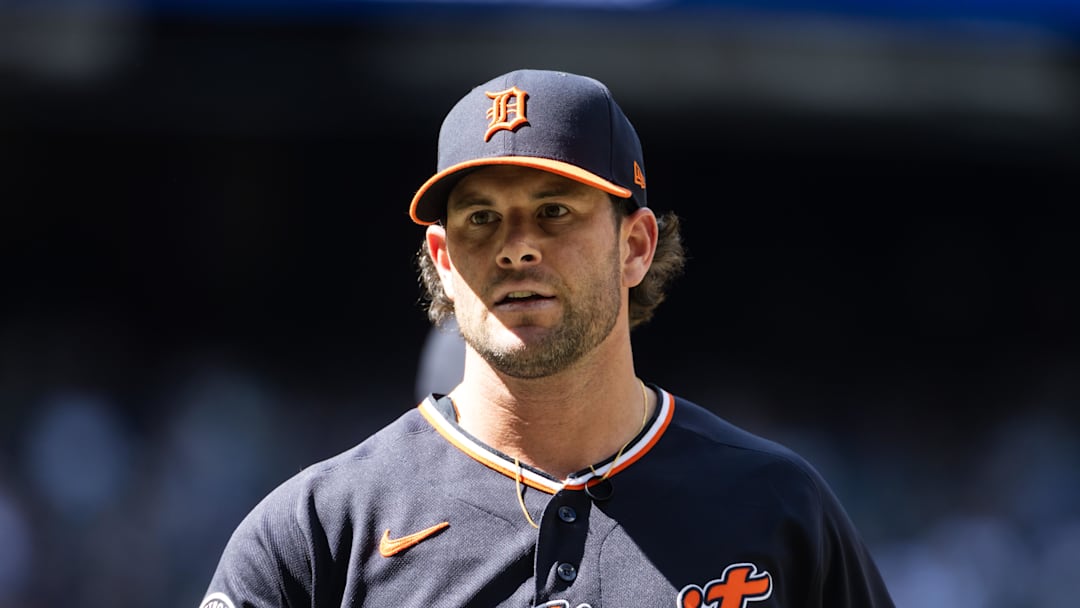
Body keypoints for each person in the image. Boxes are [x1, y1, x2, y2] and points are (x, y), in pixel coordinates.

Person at [199, 68, 895, 608]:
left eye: (554, 211)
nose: (515, 249)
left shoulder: (776, 509)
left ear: (637, 245)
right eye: (481, 219)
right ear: (442, 259)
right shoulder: (319, 530)